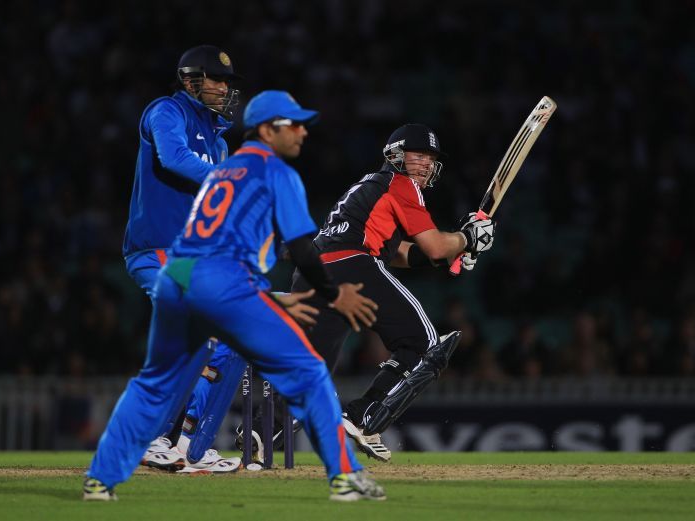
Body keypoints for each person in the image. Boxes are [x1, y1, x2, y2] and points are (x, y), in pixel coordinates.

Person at [83, 90, 386, 502]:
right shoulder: (276, 174)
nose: (301, 132)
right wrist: (332, 294)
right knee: (309, 372)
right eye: (291, 124)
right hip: (221, 280)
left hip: (183, 273)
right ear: (265, 130)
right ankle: (346, 479)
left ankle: (103, 477)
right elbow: (301, 251)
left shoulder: (221, 172)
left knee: (154, 382)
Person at [286, 123, 497, 461]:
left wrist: (453, 250)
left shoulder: (369, 186)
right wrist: (467, 239)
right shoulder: (401, 184)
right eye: (419, 156)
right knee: (424, 343)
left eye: (431, 158)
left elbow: (399, 251)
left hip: (312, 272)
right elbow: (434, 247)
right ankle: (363, 417)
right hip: (353, 266)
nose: (426, 164)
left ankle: (260, 432)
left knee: (311, 372)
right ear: (395, 155)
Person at [121, 44, 243, 473]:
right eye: (218, 79)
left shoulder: (220, 141)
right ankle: (149, 438)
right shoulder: (165, 112)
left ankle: (189, 448)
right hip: (155, 249)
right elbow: (172, 158)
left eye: (227, 81)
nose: (225, 88)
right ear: (192, 79)